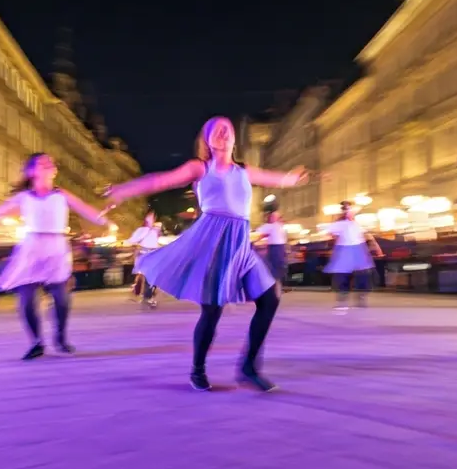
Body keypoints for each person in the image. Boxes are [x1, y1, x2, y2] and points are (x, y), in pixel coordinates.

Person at [105, 116, 310, 392]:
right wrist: (123, 190)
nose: (223, 133)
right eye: (216, 130)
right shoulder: (200, 168)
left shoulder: (244, 171)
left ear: (234, 139)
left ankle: (249, 367)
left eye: (227, 129)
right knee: (212, 311)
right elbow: (161, 180)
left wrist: (293, 178)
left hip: (240, 244)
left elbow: (277, 179)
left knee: (270, 297)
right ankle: (198, 369)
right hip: (211, 243)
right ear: (207, 140)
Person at [0, 152, 109, 360]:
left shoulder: (62, 195)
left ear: (54, 171)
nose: (48, 165)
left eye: (50, 163)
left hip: (56, 248)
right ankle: (36, 342)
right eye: (42, 163)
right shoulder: (24, 197)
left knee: (61, 297)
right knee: (27, 299)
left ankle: (60, 337)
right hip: (31, 247)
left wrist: (104, 220)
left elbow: (85, 209)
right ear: (31, 171)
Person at [323, 202, 383, 310]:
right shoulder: (340, 224)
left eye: (350, 209)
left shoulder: (357, 223)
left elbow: (368, 236)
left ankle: (360, 298)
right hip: (345, 249)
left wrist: (377, 249)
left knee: (363, 274)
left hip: (358, 249)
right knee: (342, 275)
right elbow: (332, 234)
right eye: (346, 209)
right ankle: (343, 299)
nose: (349, 212)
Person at [127, 210, 161, 308]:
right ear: (146, 219)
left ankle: (147, 294)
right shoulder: (141, 230)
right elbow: (132, 240)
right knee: (147, 276)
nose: (152, 219)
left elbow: (156, 241)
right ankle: (147, 296)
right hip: (144, 254)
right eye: (150, 217)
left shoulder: (155, 230)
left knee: (153, 276)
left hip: (153, 254)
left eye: (153, 217)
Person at [254, 210, 290, 295]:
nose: (271, 218)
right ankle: (276, 290)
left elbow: (259, 234)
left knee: (272, 270)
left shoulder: (272, 226)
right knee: (276, 271)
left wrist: (254, 241)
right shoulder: (279, 226)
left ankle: (274, 290)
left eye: (273, 217)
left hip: (276, 249)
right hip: (279, 249)